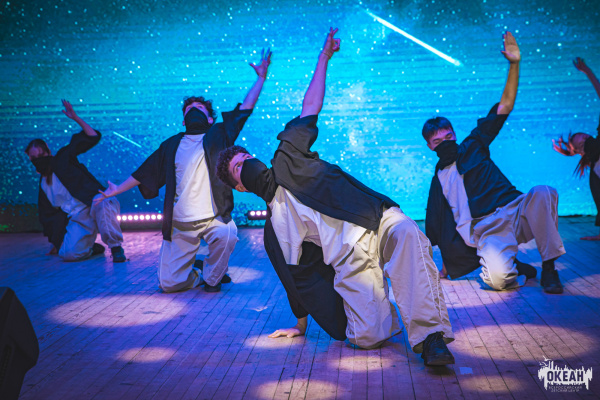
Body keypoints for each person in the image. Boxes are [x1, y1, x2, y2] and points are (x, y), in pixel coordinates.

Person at [216, 28, 455, 366]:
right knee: (367, 337)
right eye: (238, 168)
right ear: (240, 187)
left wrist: (324, 57)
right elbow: (294, 279)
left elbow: (310, 107)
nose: (246, 165)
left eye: (245, 158)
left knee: (407, 234)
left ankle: (432, 338)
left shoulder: (287, 155)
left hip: (375, 219)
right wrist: (300, 325)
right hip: (351, 260)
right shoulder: (274, 231)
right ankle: (388, 301)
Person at [94, 50, 271, 293]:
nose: (194, 109)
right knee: (169, 284)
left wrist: (260, 78)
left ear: (210, 119)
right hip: (180, 223)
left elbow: (244, 109)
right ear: (183, 121)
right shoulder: (171, 145)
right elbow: (144, 173)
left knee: (228, 232)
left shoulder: (219, 135)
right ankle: (197, 273)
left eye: (199, 107)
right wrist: (116, 190)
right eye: (189, 109)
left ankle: (212, 278)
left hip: (213, 218)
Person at [423, 32, 566, 294]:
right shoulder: (439, 179)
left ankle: (549, 267)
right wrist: (446, 266)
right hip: (488, 229)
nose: (445, 142)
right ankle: (516, 267)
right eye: (437, 141)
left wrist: (514, 64)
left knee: (544, 192)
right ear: (430, 146)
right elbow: (437, 224)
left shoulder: (473, 144)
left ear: (455, 135)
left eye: (448, 136)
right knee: (497, 281)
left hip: (515, 209)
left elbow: (504, 107)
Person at [25, 100, 126, 262]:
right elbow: (49, 217)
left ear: (48, 152)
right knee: (68, 254)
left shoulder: (62, 158)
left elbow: (91, 137)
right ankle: (91, 248)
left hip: (95, 200)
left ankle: (116, 248)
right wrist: (58, 243)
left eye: (41, 155)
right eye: (34, 157)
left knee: (105, 203)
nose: (39, 160)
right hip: (79, 216)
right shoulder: (44, 185)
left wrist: (76, 118)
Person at [552, 57, 600, 241]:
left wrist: (587, 71)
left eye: (584, 137)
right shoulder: (593, 168)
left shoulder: (594, 143)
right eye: (580, 143)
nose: (584, 138)